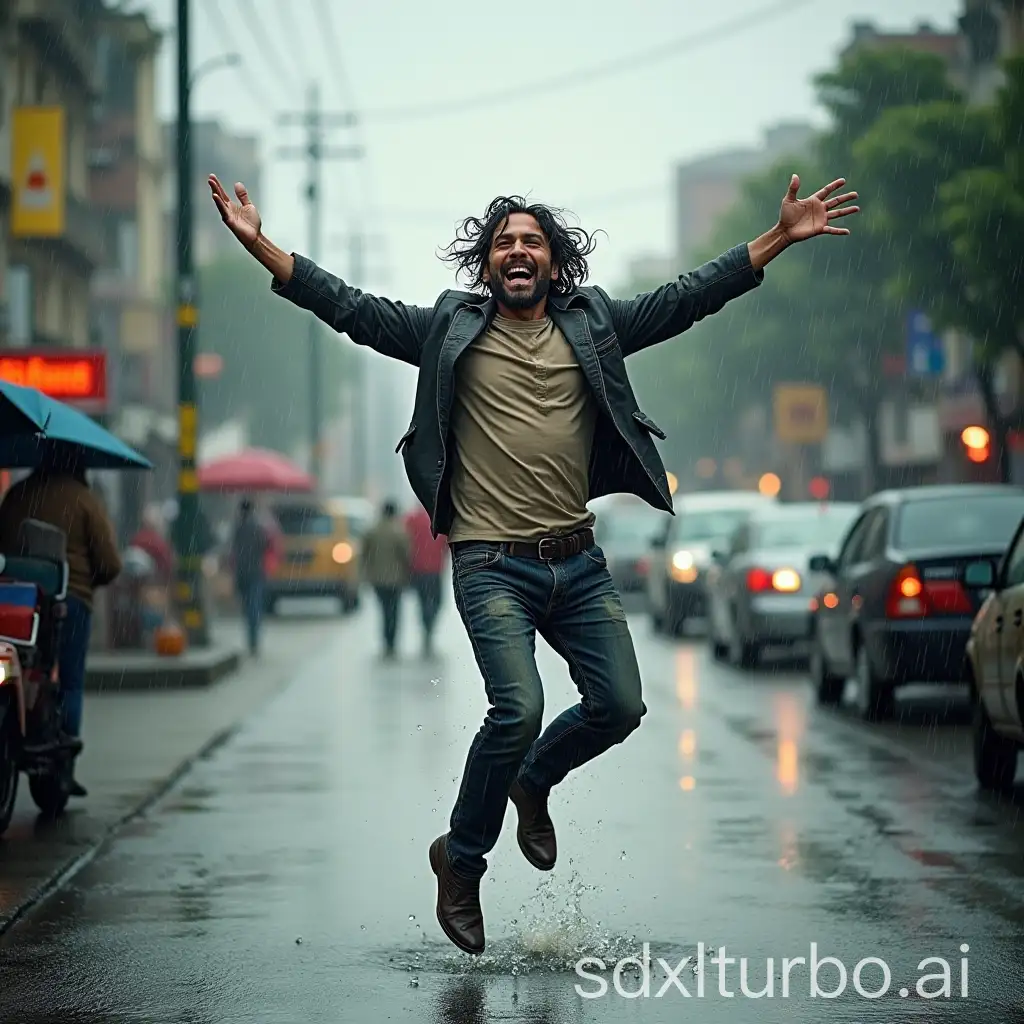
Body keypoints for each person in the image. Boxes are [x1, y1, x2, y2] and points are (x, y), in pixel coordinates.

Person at [209, 169, 859, 954]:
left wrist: (776, 240)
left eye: (533, 241)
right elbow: (350, 309)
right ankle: (463, 857)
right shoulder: (449, 329)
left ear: (555, 261)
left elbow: (687, 298)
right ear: (486, 265)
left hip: (579, 564)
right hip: (490, 565)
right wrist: (261, 249)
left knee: (619, 705)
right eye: (504, 242)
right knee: (515, 707)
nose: (519, 251)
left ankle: (534, 778)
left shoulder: (594, 326)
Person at [0, 451, 123, 798]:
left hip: (15, 597)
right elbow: (110, 563)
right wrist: (87, 581)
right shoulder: (85, 500)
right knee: (69, 682)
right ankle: (64, 764)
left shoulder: (18, 494)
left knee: (19, 666)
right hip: (69, 598)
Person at [360, 500, 411, 659]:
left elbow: (364, 554)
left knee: (383, 611)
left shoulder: (372, 531)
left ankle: (386, 641)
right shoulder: (399, 532)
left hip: (378, 579)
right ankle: (392, 641)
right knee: (394, 611)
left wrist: (366, 573)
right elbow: (406, 555)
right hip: (396, 579)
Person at [403, 504, 448, 658]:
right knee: (437, 601)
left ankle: (426, 625)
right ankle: (429, 626)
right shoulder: (441, 519)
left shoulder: (411, 519)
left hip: (418, 569)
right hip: (435, 570)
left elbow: (404, 541)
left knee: (423, 601)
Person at [231, 498, 269, 655]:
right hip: (255, 572)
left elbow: (233, 550)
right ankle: (254, 640)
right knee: (254, 607)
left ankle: (251, 638)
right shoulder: (258, 528)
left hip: (242, 573)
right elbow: (265, 545)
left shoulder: (238, 528)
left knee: (248, 607)